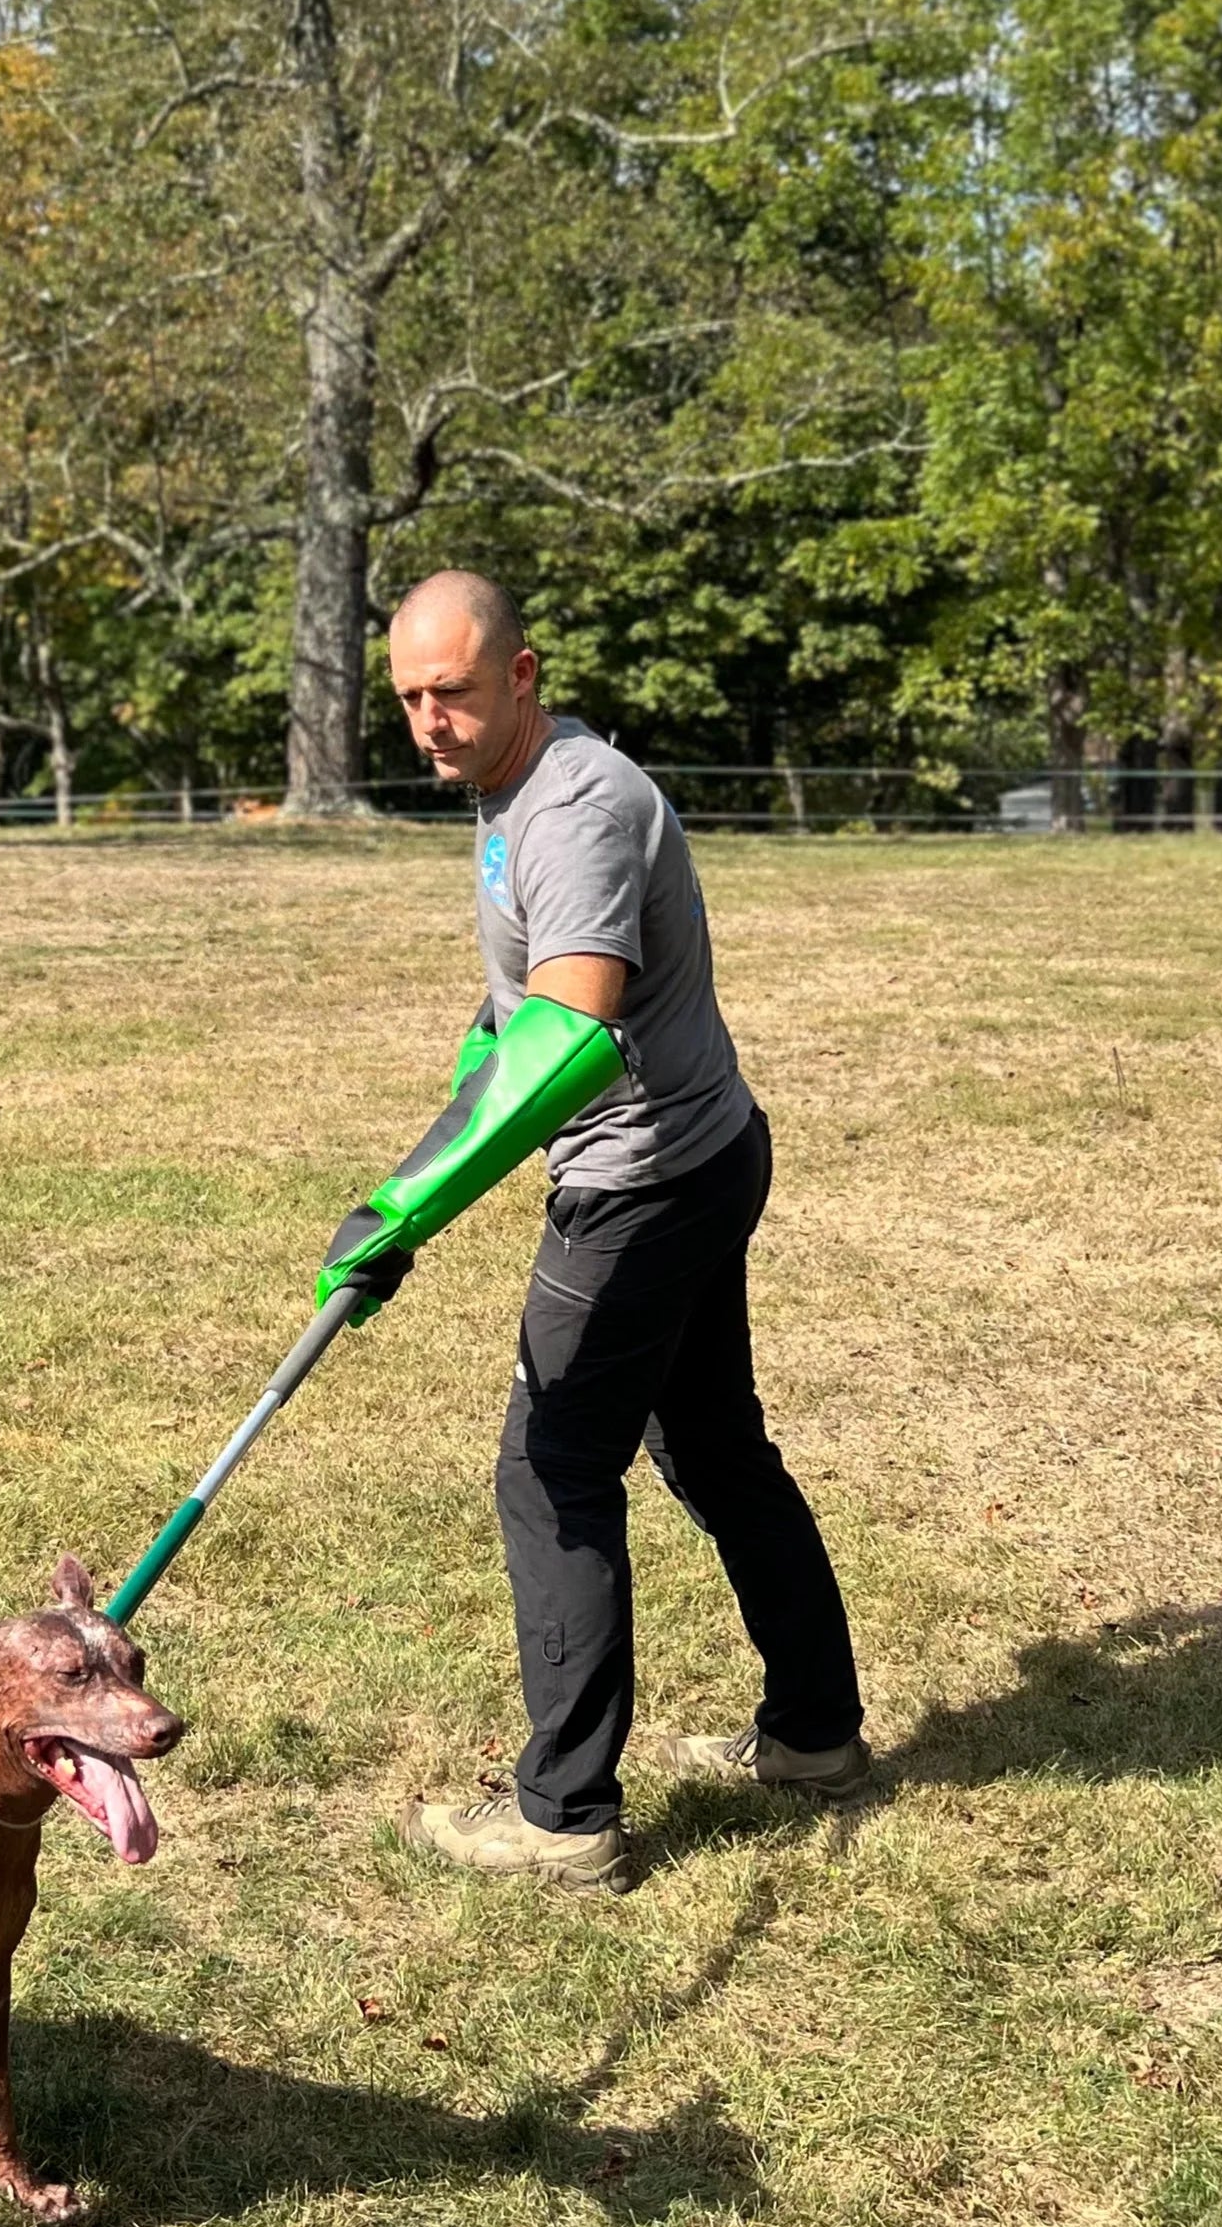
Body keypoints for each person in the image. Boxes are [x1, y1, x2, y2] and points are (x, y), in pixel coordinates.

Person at [318, 569, 864, 1895]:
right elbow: (511, 1004)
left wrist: (407, 1205)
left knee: (550, 1469)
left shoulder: (573, 805)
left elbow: (565, 1033)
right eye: (406, 699)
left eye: (450, 691)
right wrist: (450, 1112)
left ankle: (563, 1816)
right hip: (700, 1150)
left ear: (521, 673)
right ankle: (814, 1734)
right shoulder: (513, 788)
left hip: (645, 1180)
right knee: (714, 1446)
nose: (428, 720)